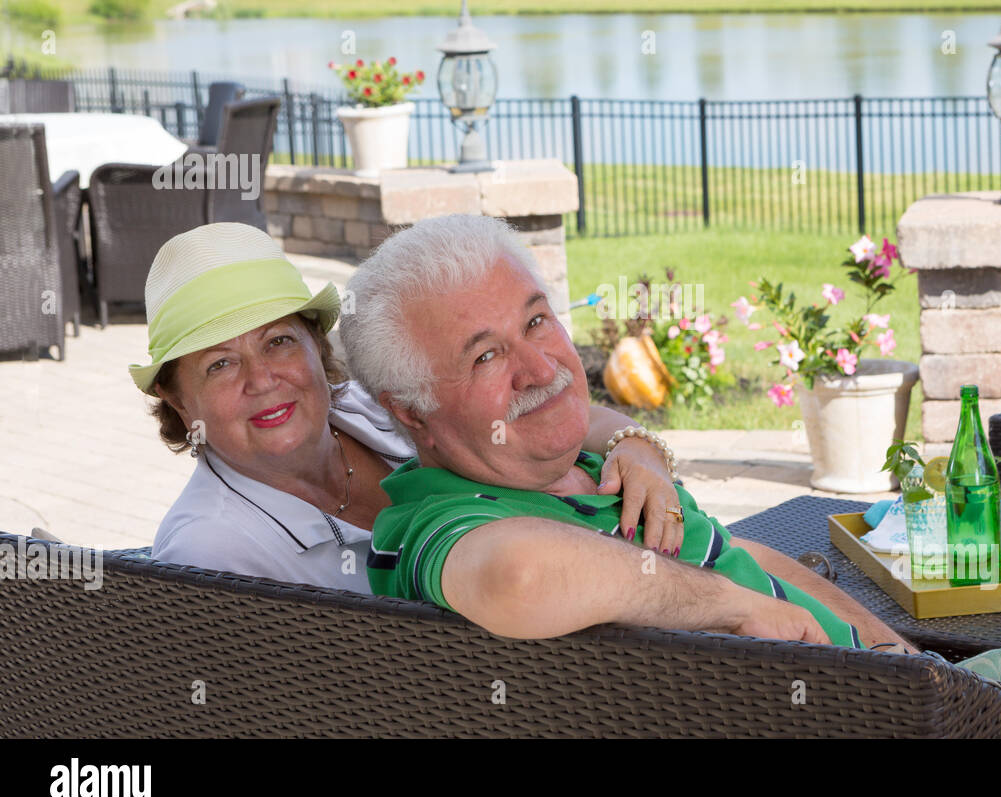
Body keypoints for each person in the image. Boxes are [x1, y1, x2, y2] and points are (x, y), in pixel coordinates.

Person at [341, 214, 917, 651]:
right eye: (487, 357)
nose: (544, 370)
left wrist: (906, 660)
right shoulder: (439, 522)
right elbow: (521, 576)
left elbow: (740, 553)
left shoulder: (581, 472)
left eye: (537, 321)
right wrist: (729, 607)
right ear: (413, 411)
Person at [130, 223, 684, 592]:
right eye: (220, 364)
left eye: (278, 341)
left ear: (316, 347)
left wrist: (636, 448)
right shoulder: (207, 550)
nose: (263, 380)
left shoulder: (370, 408)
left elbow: (544, 406)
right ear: (177, 399)